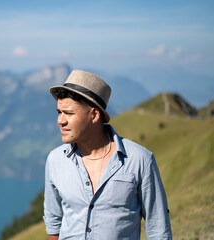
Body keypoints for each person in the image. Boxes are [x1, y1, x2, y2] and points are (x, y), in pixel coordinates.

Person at [43, 70, 172, 240]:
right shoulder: (55, 160)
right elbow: (54, 223)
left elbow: (158, 227)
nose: (60, 120)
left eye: (69, 113)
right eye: (59, 112)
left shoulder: (140, 160)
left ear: (94, 115)